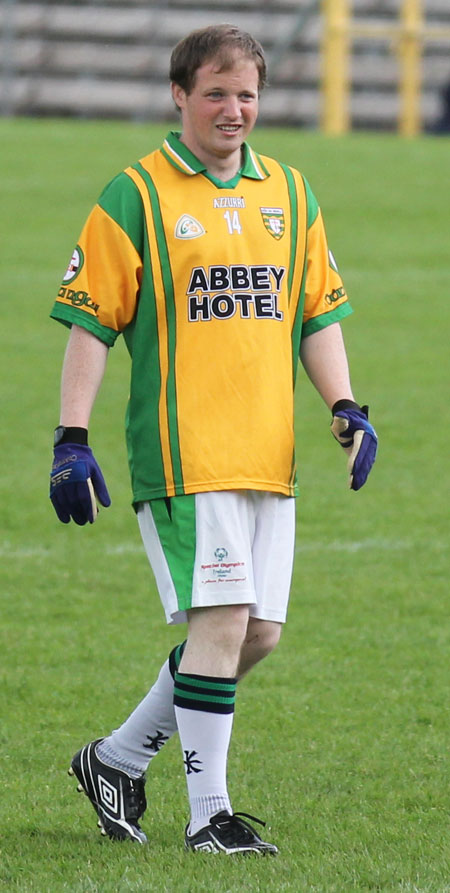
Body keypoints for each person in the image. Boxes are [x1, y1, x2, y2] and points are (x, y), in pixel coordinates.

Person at [49, 23, 377, 856]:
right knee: (225, 619)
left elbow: (317, 314)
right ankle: (209, 816)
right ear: (179, 96)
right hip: (183, 452)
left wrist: (346, 404)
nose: (234, 110)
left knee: (254, 634)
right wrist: (71, 435)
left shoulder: (291, 194)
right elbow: (90, 326)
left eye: (248, 95)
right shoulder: (136, 195)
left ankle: (116, 758)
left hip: (268, 454)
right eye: (217, 94)